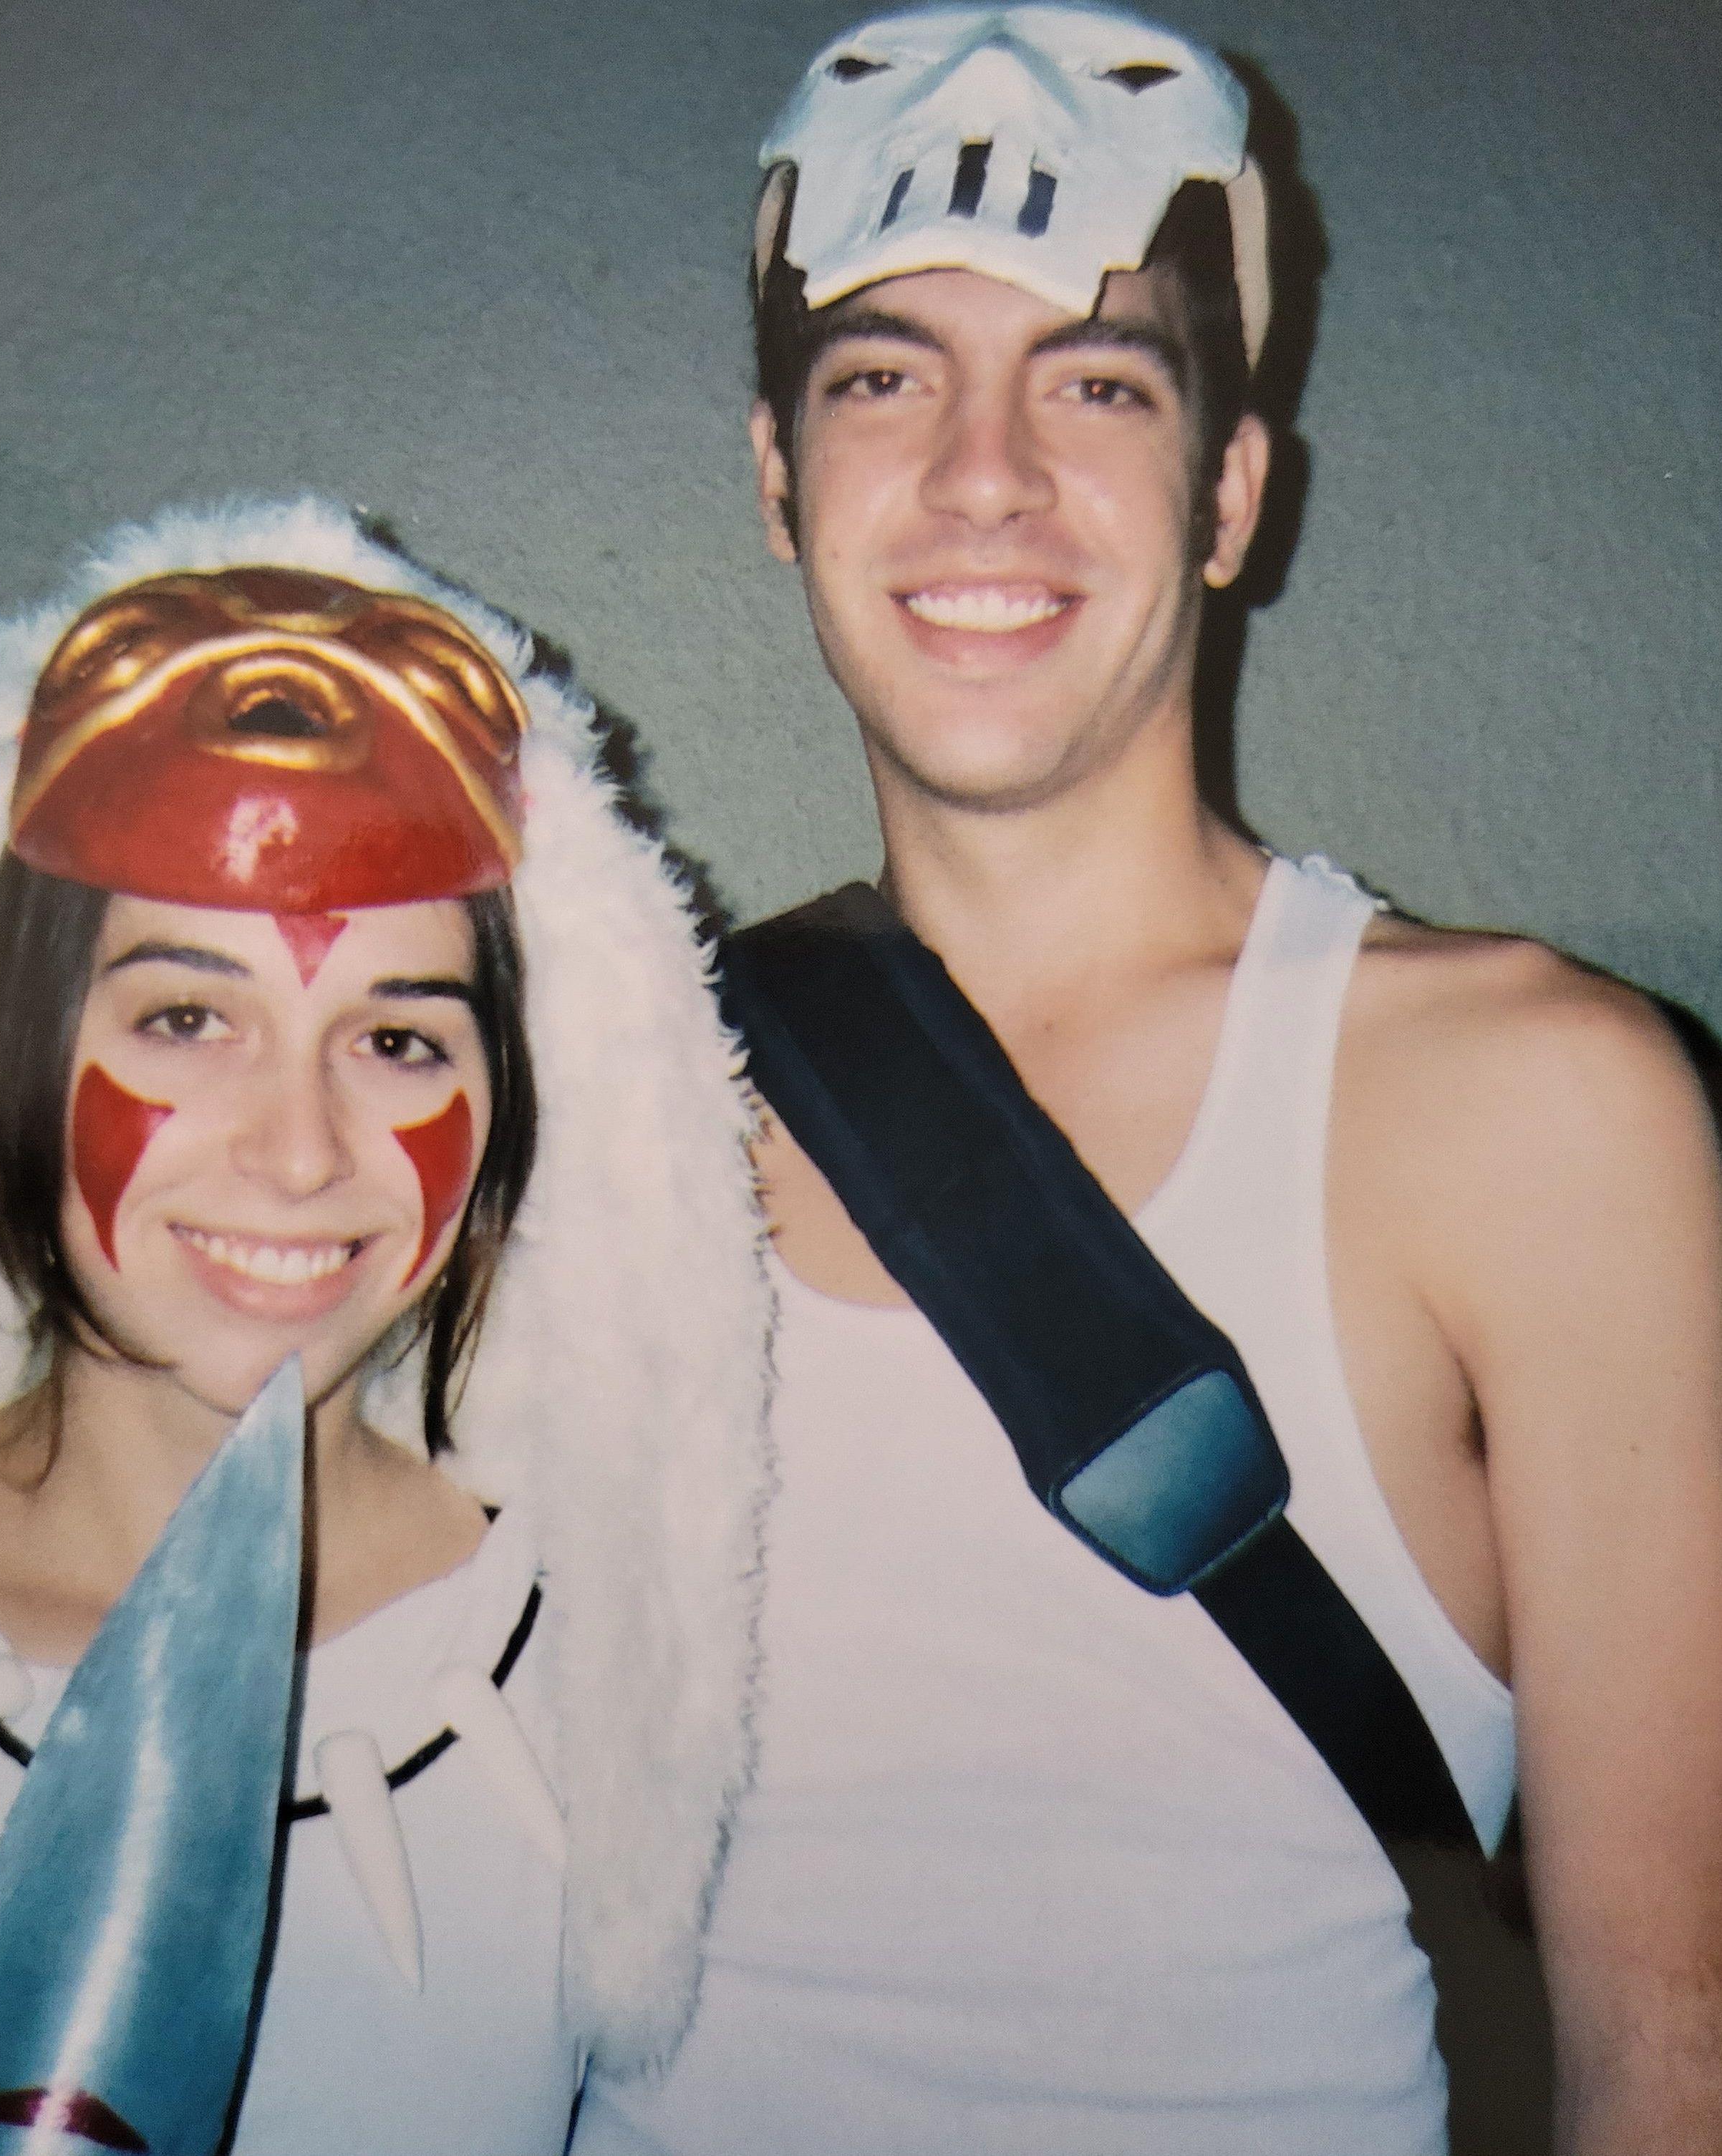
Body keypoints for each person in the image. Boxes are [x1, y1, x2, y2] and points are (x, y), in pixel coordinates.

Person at [574, 6, 1722, 2153]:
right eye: (883, 376)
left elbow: (1672, 2047)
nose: (979, 472)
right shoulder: (602, 1099)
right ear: (771, 476)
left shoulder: (1541, 1110)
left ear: (1228, 490)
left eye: (1094, 380)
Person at [0, 500, 774, 2152]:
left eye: (400, 1041)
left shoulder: (607, 1704)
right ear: (12, 1039)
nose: (299, 1152)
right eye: (189, 1017)